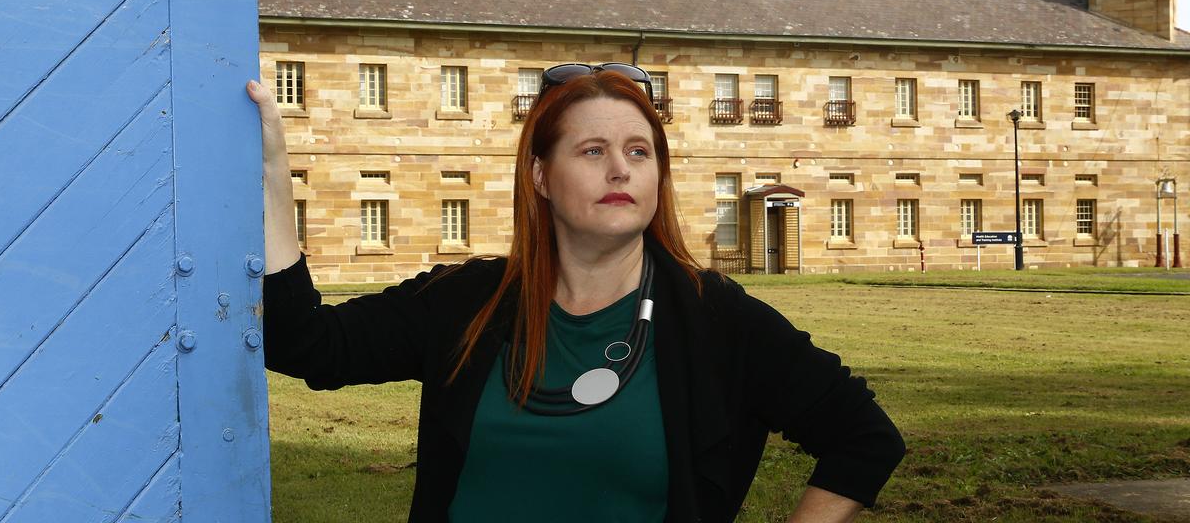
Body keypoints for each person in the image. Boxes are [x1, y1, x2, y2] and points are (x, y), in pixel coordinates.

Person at [246, 63, 905, 523]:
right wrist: (274, 175)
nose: (620, 166)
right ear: (540, 174)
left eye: (639, 152)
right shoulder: (467, 303)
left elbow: (864, 437)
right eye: (592, 151)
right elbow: (309, 344)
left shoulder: (714, 320)